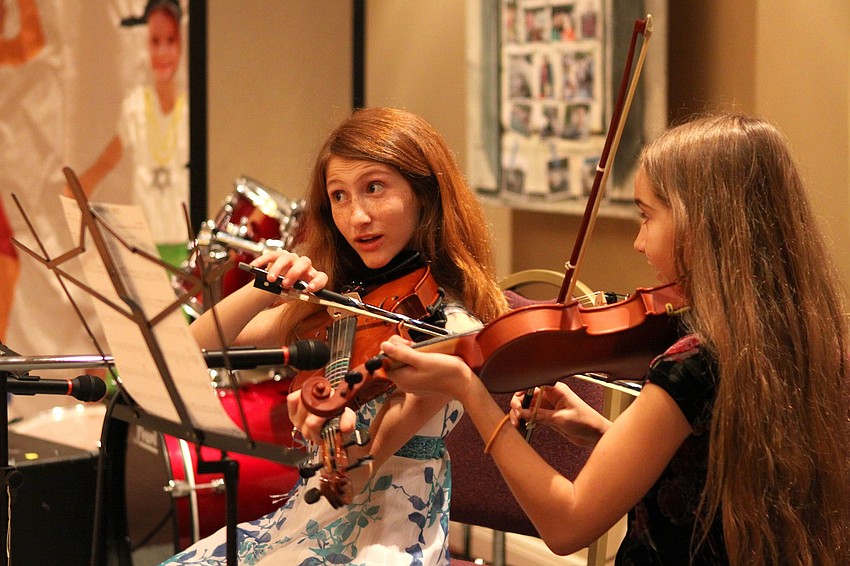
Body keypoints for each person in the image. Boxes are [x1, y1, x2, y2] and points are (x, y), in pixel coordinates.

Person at [379, 114, 850, 565]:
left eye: (646, 217)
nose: (639, 243)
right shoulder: (807, 333)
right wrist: (600, 433)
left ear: (702, 222)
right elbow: (706, 476)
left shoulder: (693, 362)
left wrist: (471, 391)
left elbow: (567, 526)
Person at [160, 107, 508, 565]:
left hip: (388, 535)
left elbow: (362, 475)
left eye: (374, 188)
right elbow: (186, 350)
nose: (356, 216)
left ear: (425, 194)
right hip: (302, 522)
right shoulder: (342, 302)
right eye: (339, 196)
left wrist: (339, 442)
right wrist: (261, 290)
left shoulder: (452, 330)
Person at [68, 0, 188, 266]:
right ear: (144, 44)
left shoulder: (190, 109)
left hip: (185, 239)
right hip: (146, 239)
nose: (163, 52)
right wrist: (79, 186)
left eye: (171, 40)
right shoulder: (135, 107)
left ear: (181, 43)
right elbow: (109, 159)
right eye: (155, 41)